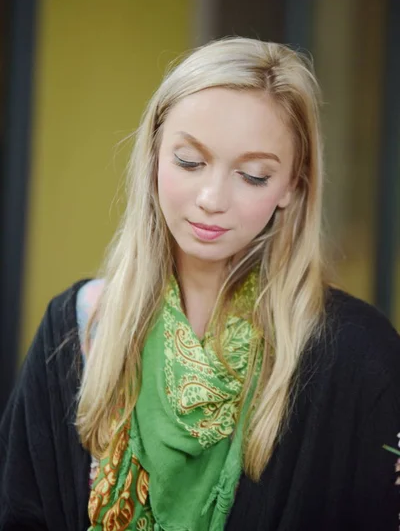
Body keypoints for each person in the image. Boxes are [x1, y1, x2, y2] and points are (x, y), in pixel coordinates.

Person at [0, 37, 399, 531]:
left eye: (253, 176)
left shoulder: (361, 355)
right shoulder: (77, 329)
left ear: (293, 186)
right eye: (190, 162)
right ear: (153, 155)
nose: (212, 198)